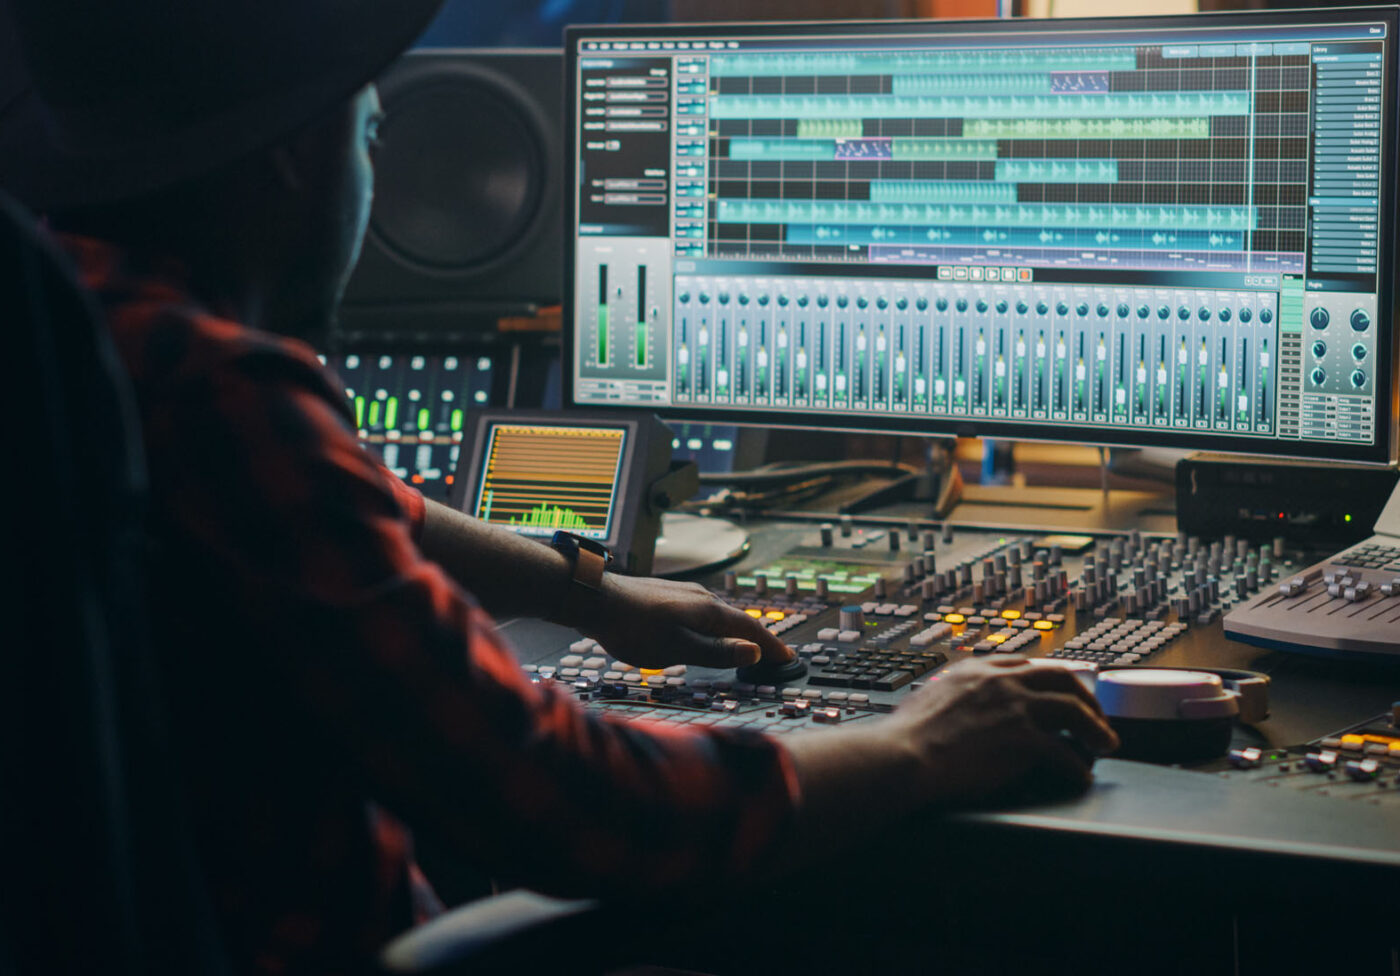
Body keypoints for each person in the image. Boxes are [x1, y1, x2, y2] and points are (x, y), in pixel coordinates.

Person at [0, 2, 1117, 973]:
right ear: (296, 155)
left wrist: (586, 595)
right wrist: (912, 745)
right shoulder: (227, 393)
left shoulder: (78, 333)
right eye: (371, 134)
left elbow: (343, 508)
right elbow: (578, 806)